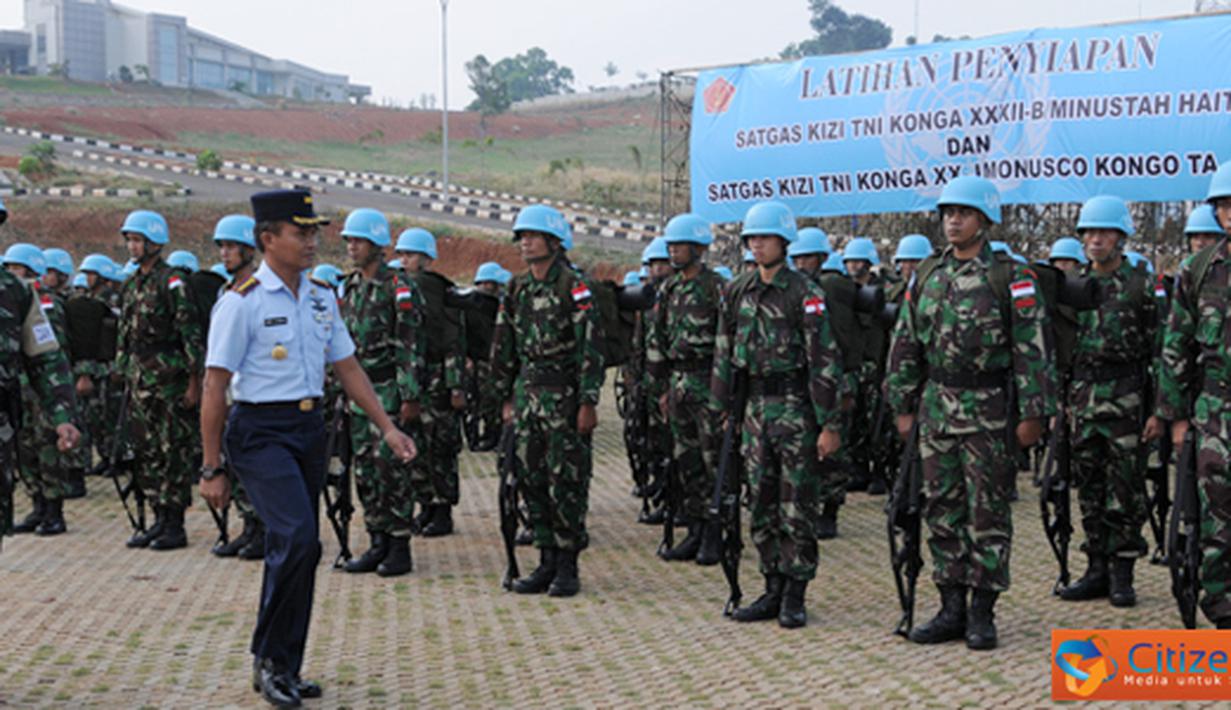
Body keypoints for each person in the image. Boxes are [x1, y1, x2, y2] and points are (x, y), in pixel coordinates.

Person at [199, 189, 416, 707]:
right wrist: (211, 467)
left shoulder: (321, 295)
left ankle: (282, 665)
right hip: (258, 432)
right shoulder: (241, 301)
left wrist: (386, 426)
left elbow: (347, 367)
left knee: (301, 545)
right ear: (268, 238)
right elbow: (214, 384)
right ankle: (271, 658)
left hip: (308, 430)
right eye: (301, 232)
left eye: (315, 231)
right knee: (296, 536)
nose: (313, 241)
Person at [886, 175, 1056, 650]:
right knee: (942, 509)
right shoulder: (927, 274)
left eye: (962, 213)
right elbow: (905, 344)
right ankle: (950, 606)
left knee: (988, 512)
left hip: (990, 412)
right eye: (947, 213)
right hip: (938, 410)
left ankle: (982, 611)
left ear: (984, 219)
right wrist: (901, 404)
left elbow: (1033, 348)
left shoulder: (1010, 276)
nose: (953, 221)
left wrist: (1034, 413)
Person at [709, 201, 843, 629]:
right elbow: (724, 353)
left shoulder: (805, 293)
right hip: (752, 411)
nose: (757, 245)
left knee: (796, 504)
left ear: (783, 242)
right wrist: (723, 408)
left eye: (764, 238)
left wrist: (829, 423)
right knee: (760, 503)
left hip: (795, 410)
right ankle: (770, 586)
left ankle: (795, 593)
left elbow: (823, 360)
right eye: (751, 238)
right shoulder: (737, 291)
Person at [491, 204, 604, 597]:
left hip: (564, 397)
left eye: (533, 236)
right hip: (527, 396)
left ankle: (568, 565)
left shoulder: (573, 286)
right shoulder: (517, 288)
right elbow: (504, 346)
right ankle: (545, 561)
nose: (525, 242)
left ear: (553, 242)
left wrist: (588, 401)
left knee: (566, 482)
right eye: (521, 237)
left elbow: (591, 347)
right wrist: (505, 397)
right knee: (531, 478)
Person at [1055, 196, 1156, 608]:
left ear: (1120, 237)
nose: (1095, 240)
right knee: (1089, 488)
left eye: (1104, 232)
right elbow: (1060, 346)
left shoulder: (1140, 286)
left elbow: (1160, 350)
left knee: (1125, 488)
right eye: (1089, 233)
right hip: (1082, 400)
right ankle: (1095, 567)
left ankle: (1122, 572)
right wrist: (1060, 400)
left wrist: (1157, 411)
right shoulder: (1074, 286)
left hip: (1126, 400)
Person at [1149, 160, 1231, 629]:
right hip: (1215, 410)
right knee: (1216, 516)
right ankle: (1223, 609)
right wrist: (1175, 417)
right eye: (1223, 205)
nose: (1229, 212)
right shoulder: (1198, 269)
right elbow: (1176, 345)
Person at [338, 210, 423, 576]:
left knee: (392, 469)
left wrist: (409, 395)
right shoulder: (351, 286)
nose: (351, 247)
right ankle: (377, 540)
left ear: (376, 243)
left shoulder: (399, 288)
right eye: (349, 241)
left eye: (357, 240)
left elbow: (411, 344)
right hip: (360, 392)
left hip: (390, 388)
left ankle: (399, 544)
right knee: (365, 471)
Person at [115, 210, 205, 550]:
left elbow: (189, 334)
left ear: (154, 242)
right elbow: (124, 334)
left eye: (137, 240)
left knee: (173, 451)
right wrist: (123, 370)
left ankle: (174, 523)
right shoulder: (133, 282)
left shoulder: (173, 282)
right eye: (129, 240)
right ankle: (156, 516)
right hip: (140, 377)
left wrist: (194, 382)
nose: (132, 247)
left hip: (170, 377)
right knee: (146, 449)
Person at [646, 213, 724, 563]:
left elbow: (728, 341)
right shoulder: (669, 288)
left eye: (679, 245)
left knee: (713, 461)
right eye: (671, 245)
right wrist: (660, 387)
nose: (673, 251)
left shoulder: (716, 287)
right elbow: (656, 338)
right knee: (686, 460)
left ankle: (716, 533)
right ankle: (694, 529)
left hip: (709, 381)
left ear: (698, 248)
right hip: (678, 384)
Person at [395, 228, 465, 537]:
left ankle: (442, 512)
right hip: (416, 380)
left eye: (410, 254)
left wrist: (456, 385)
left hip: (437, 381)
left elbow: (453, 341)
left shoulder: (436, 291)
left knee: (440, 447)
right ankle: (426, 506)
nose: (404, 260)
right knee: (418, 448)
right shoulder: (405, 289)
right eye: (402, 254)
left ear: (426, 259)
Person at [4, 244, 78, 533]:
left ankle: (52, 509)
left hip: (26, 398)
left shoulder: (25, 297)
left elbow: (48, 356)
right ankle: (38, 506)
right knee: (27, 451)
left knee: (44, 449)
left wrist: (62, 413)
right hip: (18, 395)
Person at [209, 214, 267, 560]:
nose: (224, 254)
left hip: (252, 389)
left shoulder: (260, 291)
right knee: (235, 461)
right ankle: (248, 526)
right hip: (226, 387)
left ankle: (262, 528)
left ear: (250, 250)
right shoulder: (225, 291)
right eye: (222, 247)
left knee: (255, 464)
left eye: (232, 247)